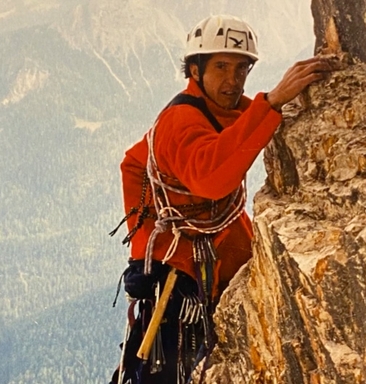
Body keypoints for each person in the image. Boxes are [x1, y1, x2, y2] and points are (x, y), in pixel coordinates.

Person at [110, 14, 332, 384]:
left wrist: (285, 106)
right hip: (174, 262)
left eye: (242, 68)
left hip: (216, 243)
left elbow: (247, 122)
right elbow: (212, 178)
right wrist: (273, 101)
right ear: (195, 70)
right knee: (165, 365)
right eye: (222, 67)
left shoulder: (222, 109)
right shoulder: (180, 122)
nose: (233, 80)